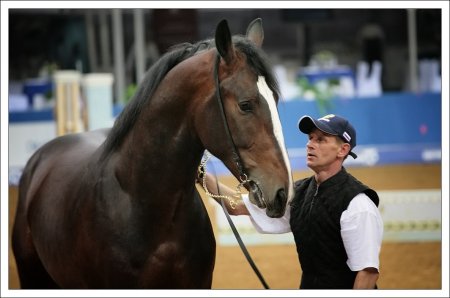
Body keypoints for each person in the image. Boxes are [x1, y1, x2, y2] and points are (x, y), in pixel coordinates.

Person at [197, 114, 383, 289]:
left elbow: (367, 273)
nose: (310, 145)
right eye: (310, 138)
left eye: (320, 140)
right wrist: (200, 175)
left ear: (343, 150)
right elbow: (236, 206)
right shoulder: (299, 192)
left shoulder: (358, 204)